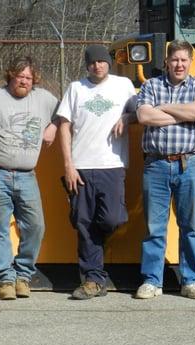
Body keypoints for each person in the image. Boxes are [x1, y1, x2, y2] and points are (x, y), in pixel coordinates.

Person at [0, 56, 59, 300]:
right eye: (21, 76)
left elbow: (67, 110)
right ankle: (5, 280)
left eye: (29, 78)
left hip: (28, 176)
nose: (25, 81)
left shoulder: (44, 99)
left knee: (36, 226)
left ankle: (23, 275)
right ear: (11, 76)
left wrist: (54, 126)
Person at [57, 44, 137, 300]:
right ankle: (93, 279)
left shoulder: (123, 85)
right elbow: (64, 126)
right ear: (87, 65)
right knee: (83, 223)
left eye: (102, 61)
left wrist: (127, 118)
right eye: (92, 62)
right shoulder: (75, 88)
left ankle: (96, 260)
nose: (97, 66)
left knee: (112, 218)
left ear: (108, 63)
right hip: (81, 166)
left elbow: (140, 111)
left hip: (112, 164)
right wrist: (68, 165)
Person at [135, 40, 195, 300]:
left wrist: (164, 108)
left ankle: (190, 280)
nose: (179, 64)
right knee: (154, 226)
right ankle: (152, 280)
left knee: (190, 226)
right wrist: (184, 114)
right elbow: (144, 117)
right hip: (156, 164)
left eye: (184, 60)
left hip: (190, 165)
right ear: (166, 61)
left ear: (191, 62)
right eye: (174, 60)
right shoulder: (151, 85)